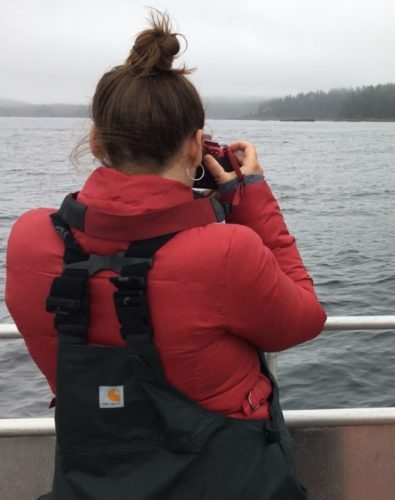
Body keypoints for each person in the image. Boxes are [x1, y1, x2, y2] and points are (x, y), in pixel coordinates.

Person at [4, 10, 326, 500]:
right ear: (198, 147)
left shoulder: (30, 237)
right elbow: (303, 319)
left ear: (95, 141)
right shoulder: (225, 252)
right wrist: (250, 193)